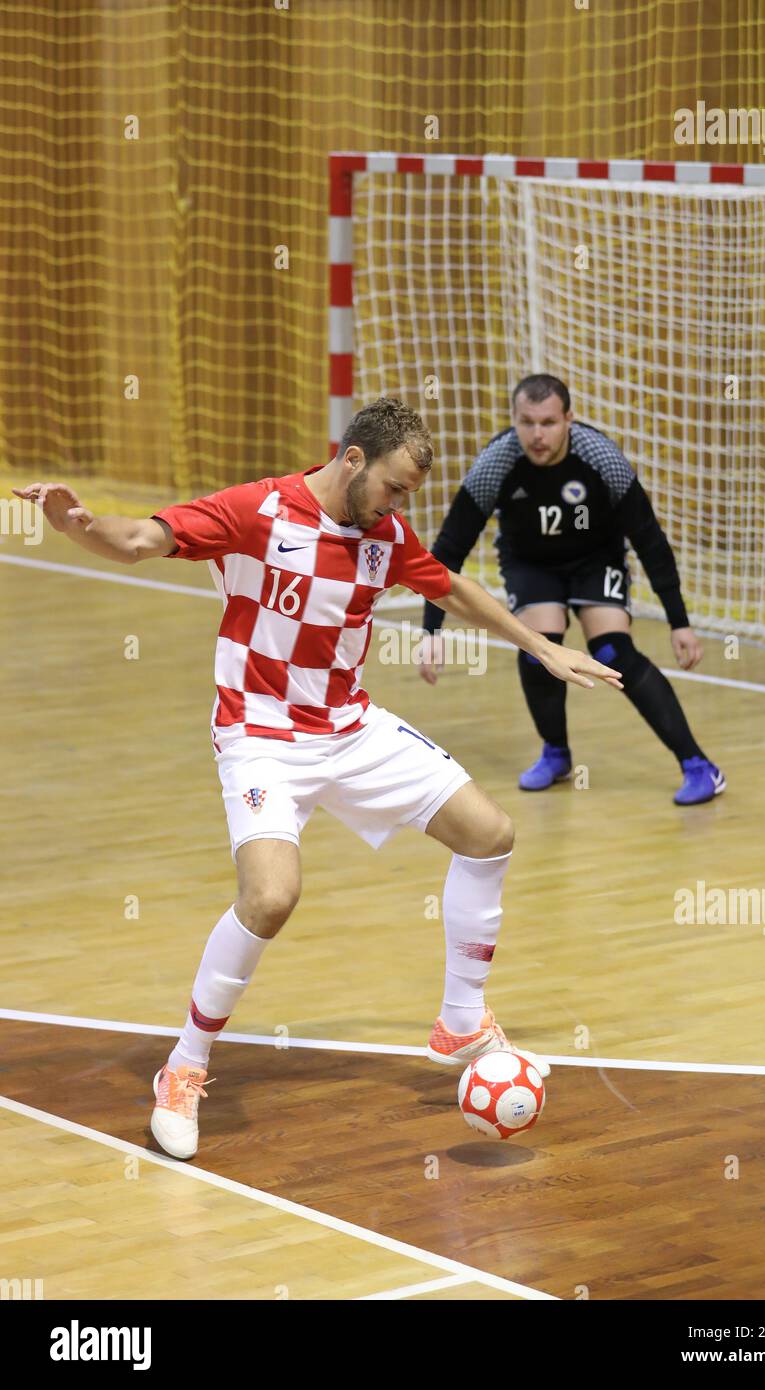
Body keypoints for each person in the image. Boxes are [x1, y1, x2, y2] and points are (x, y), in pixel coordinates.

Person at [14, 397, 621, 1159]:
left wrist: (541, 647)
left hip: (348, 726)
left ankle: (461, 1021)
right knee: (271, 897)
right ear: (353, 460)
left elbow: (451, 588)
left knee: (490, 834)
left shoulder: (384, 536)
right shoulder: (256, 512)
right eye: (395, 489)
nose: (401, 507)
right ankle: (184, 1068)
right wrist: (79, 524)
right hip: (260, 732)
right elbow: (139, 540)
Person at [420, 375, 725, 805]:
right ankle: (556, 754)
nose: (537, 435)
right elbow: (449, 548)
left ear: (569, 418)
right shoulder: (497, 462)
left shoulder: (599, 457)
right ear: (514, 419)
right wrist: (432, 630)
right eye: (526, 422)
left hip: (595, 560)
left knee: (613, 652)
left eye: (548, 422)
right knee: (538, 648)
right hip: (531, 564)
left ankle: (699, 766)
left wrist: (680, 623)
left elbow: (649, 540)